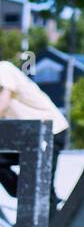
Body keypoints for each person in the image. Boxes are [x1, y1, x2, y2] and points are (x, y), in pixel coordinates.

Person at [0, 59, 69, 212]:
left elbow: (3, 101)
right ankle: (27, 193)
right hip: (25, 137)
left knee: (43, 180)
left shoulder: (3, 69)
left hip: (50, 130)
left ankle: (51, 219)